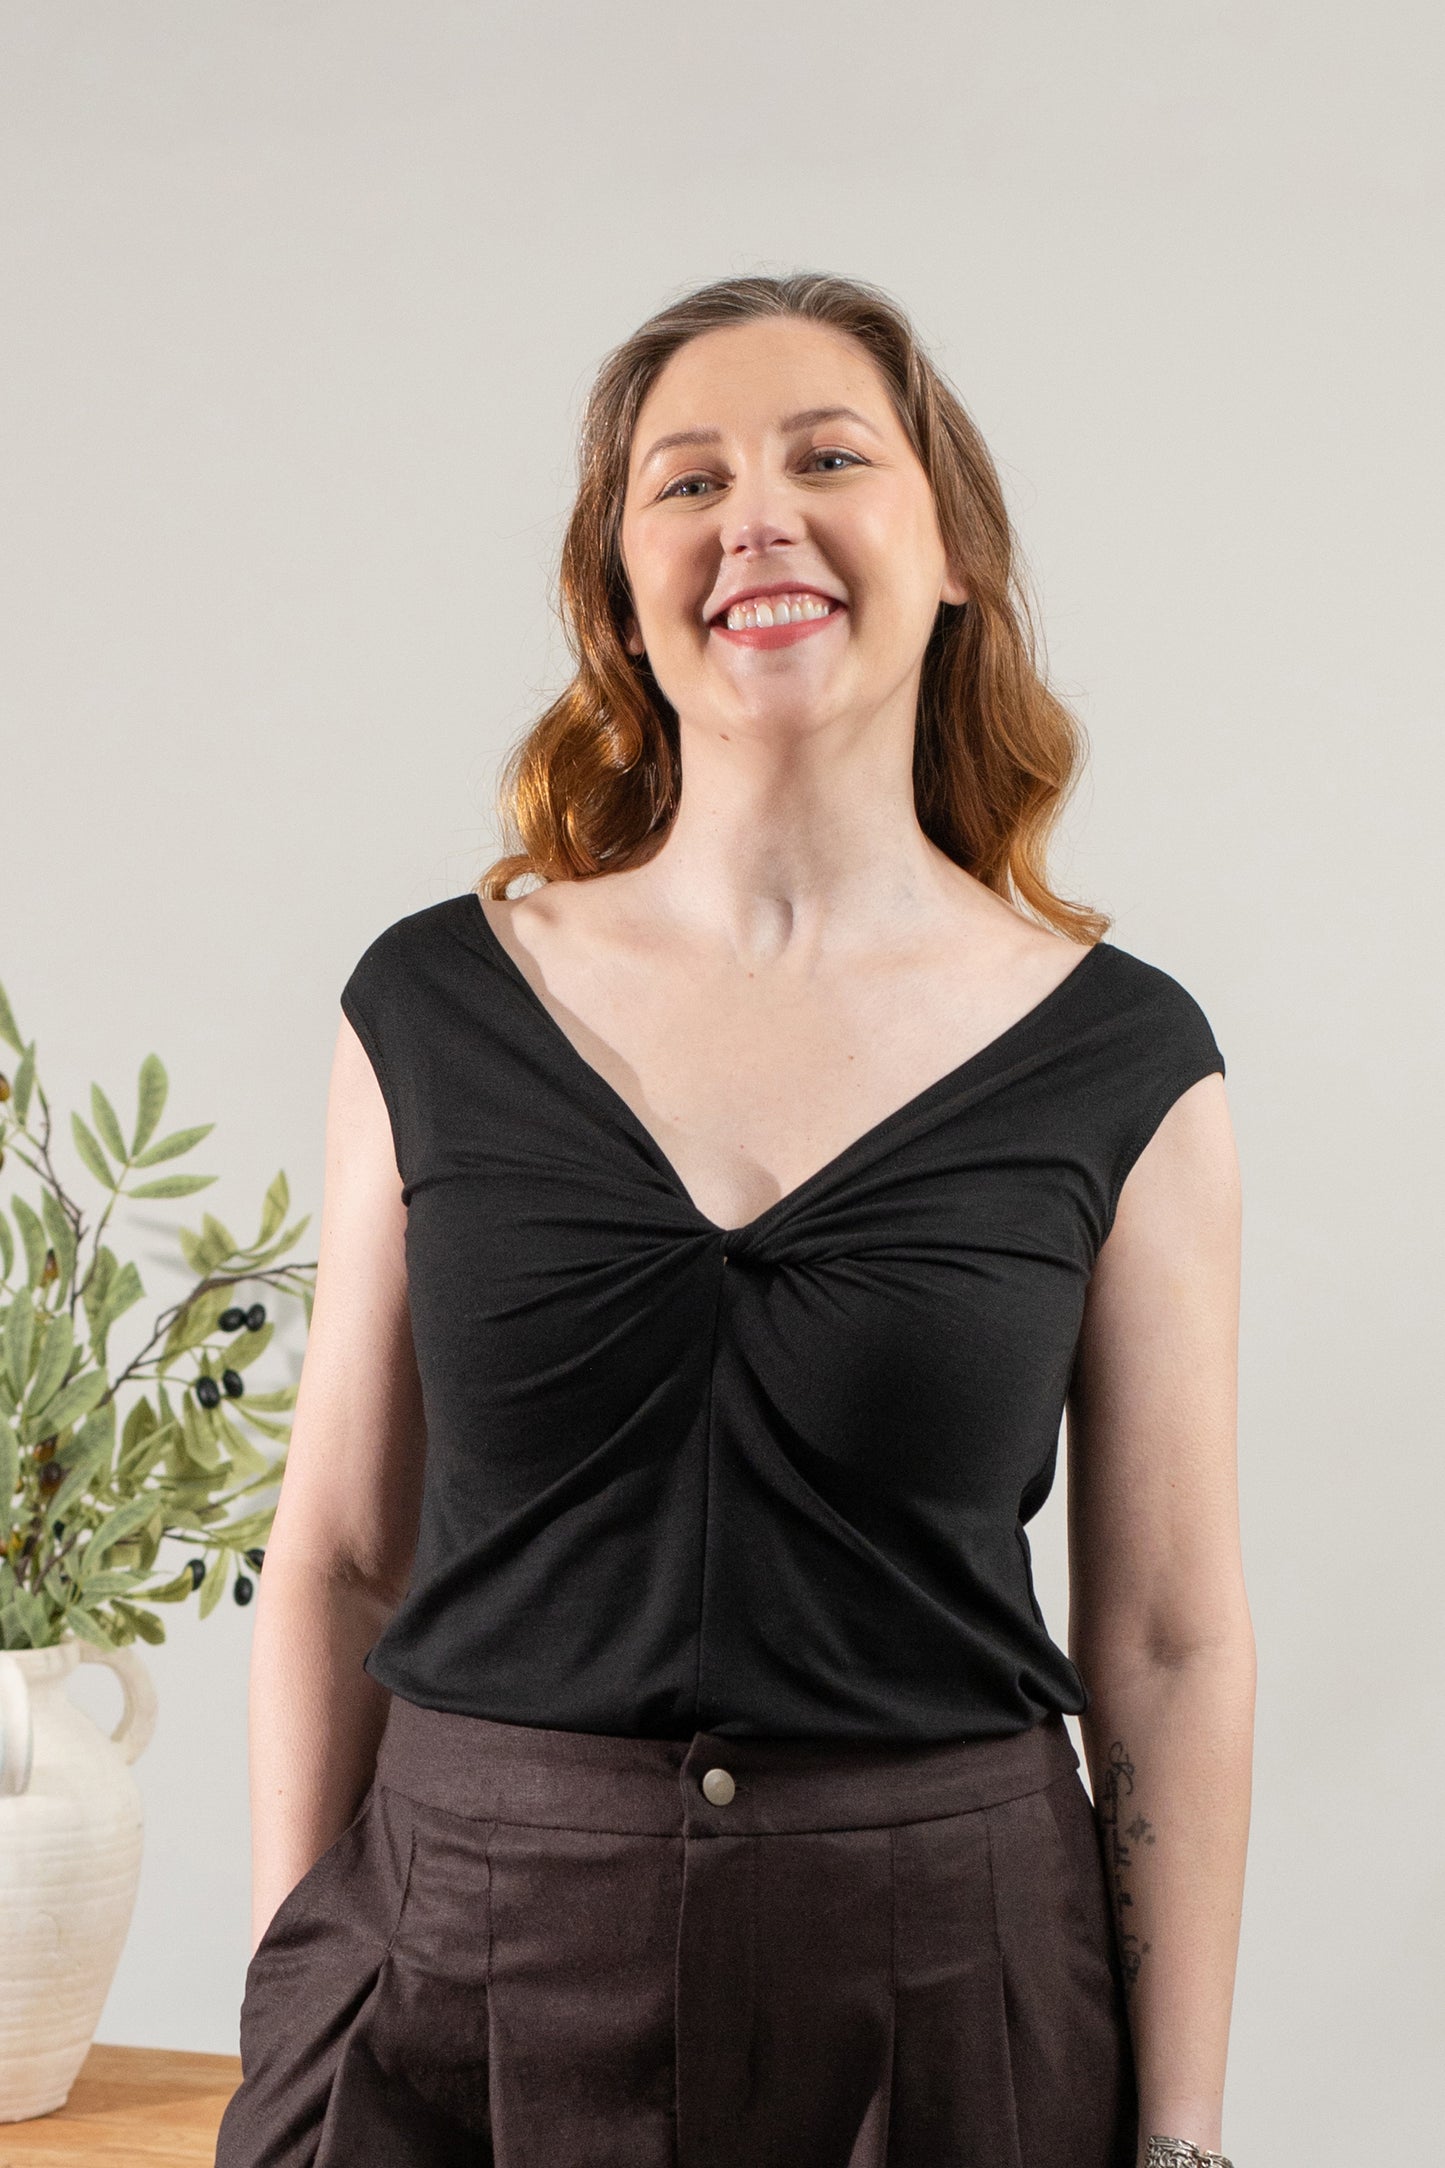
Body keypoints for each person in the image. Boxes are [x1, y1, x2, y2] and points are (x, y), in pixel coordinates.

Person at [214, 271, 1252, 2168]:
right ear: (618, 593)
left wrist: (1176, 2134)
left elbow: (1171, 1641)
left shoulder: (1127, 1059)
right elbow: (342, 1558)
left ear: (949, 553)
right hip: (452, 1997)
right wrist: (301, 1996)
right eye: (683, 482)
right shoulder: (428, 1007)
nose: (754, 513)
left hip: (954, 2011)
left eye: (826, 456)